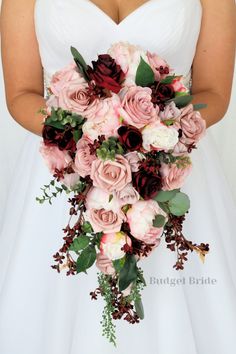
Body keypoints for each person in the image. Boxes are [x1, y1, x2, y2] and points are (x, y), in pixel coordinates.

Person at [0, 0, 235, 353]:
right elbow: (20, 94)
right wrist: (92, 139)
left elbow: (215, 92)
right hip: (64, 172)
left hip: (171, 167)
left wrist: (151, 135)